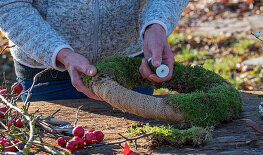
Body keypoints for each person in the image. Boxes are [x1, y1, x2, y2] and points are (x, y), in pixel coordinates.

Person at [0, 0, 189, 101]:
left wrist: (156, 24)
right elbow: (8, 4)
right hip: (48, 77)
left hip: (130, 69)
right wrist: (60, 52)